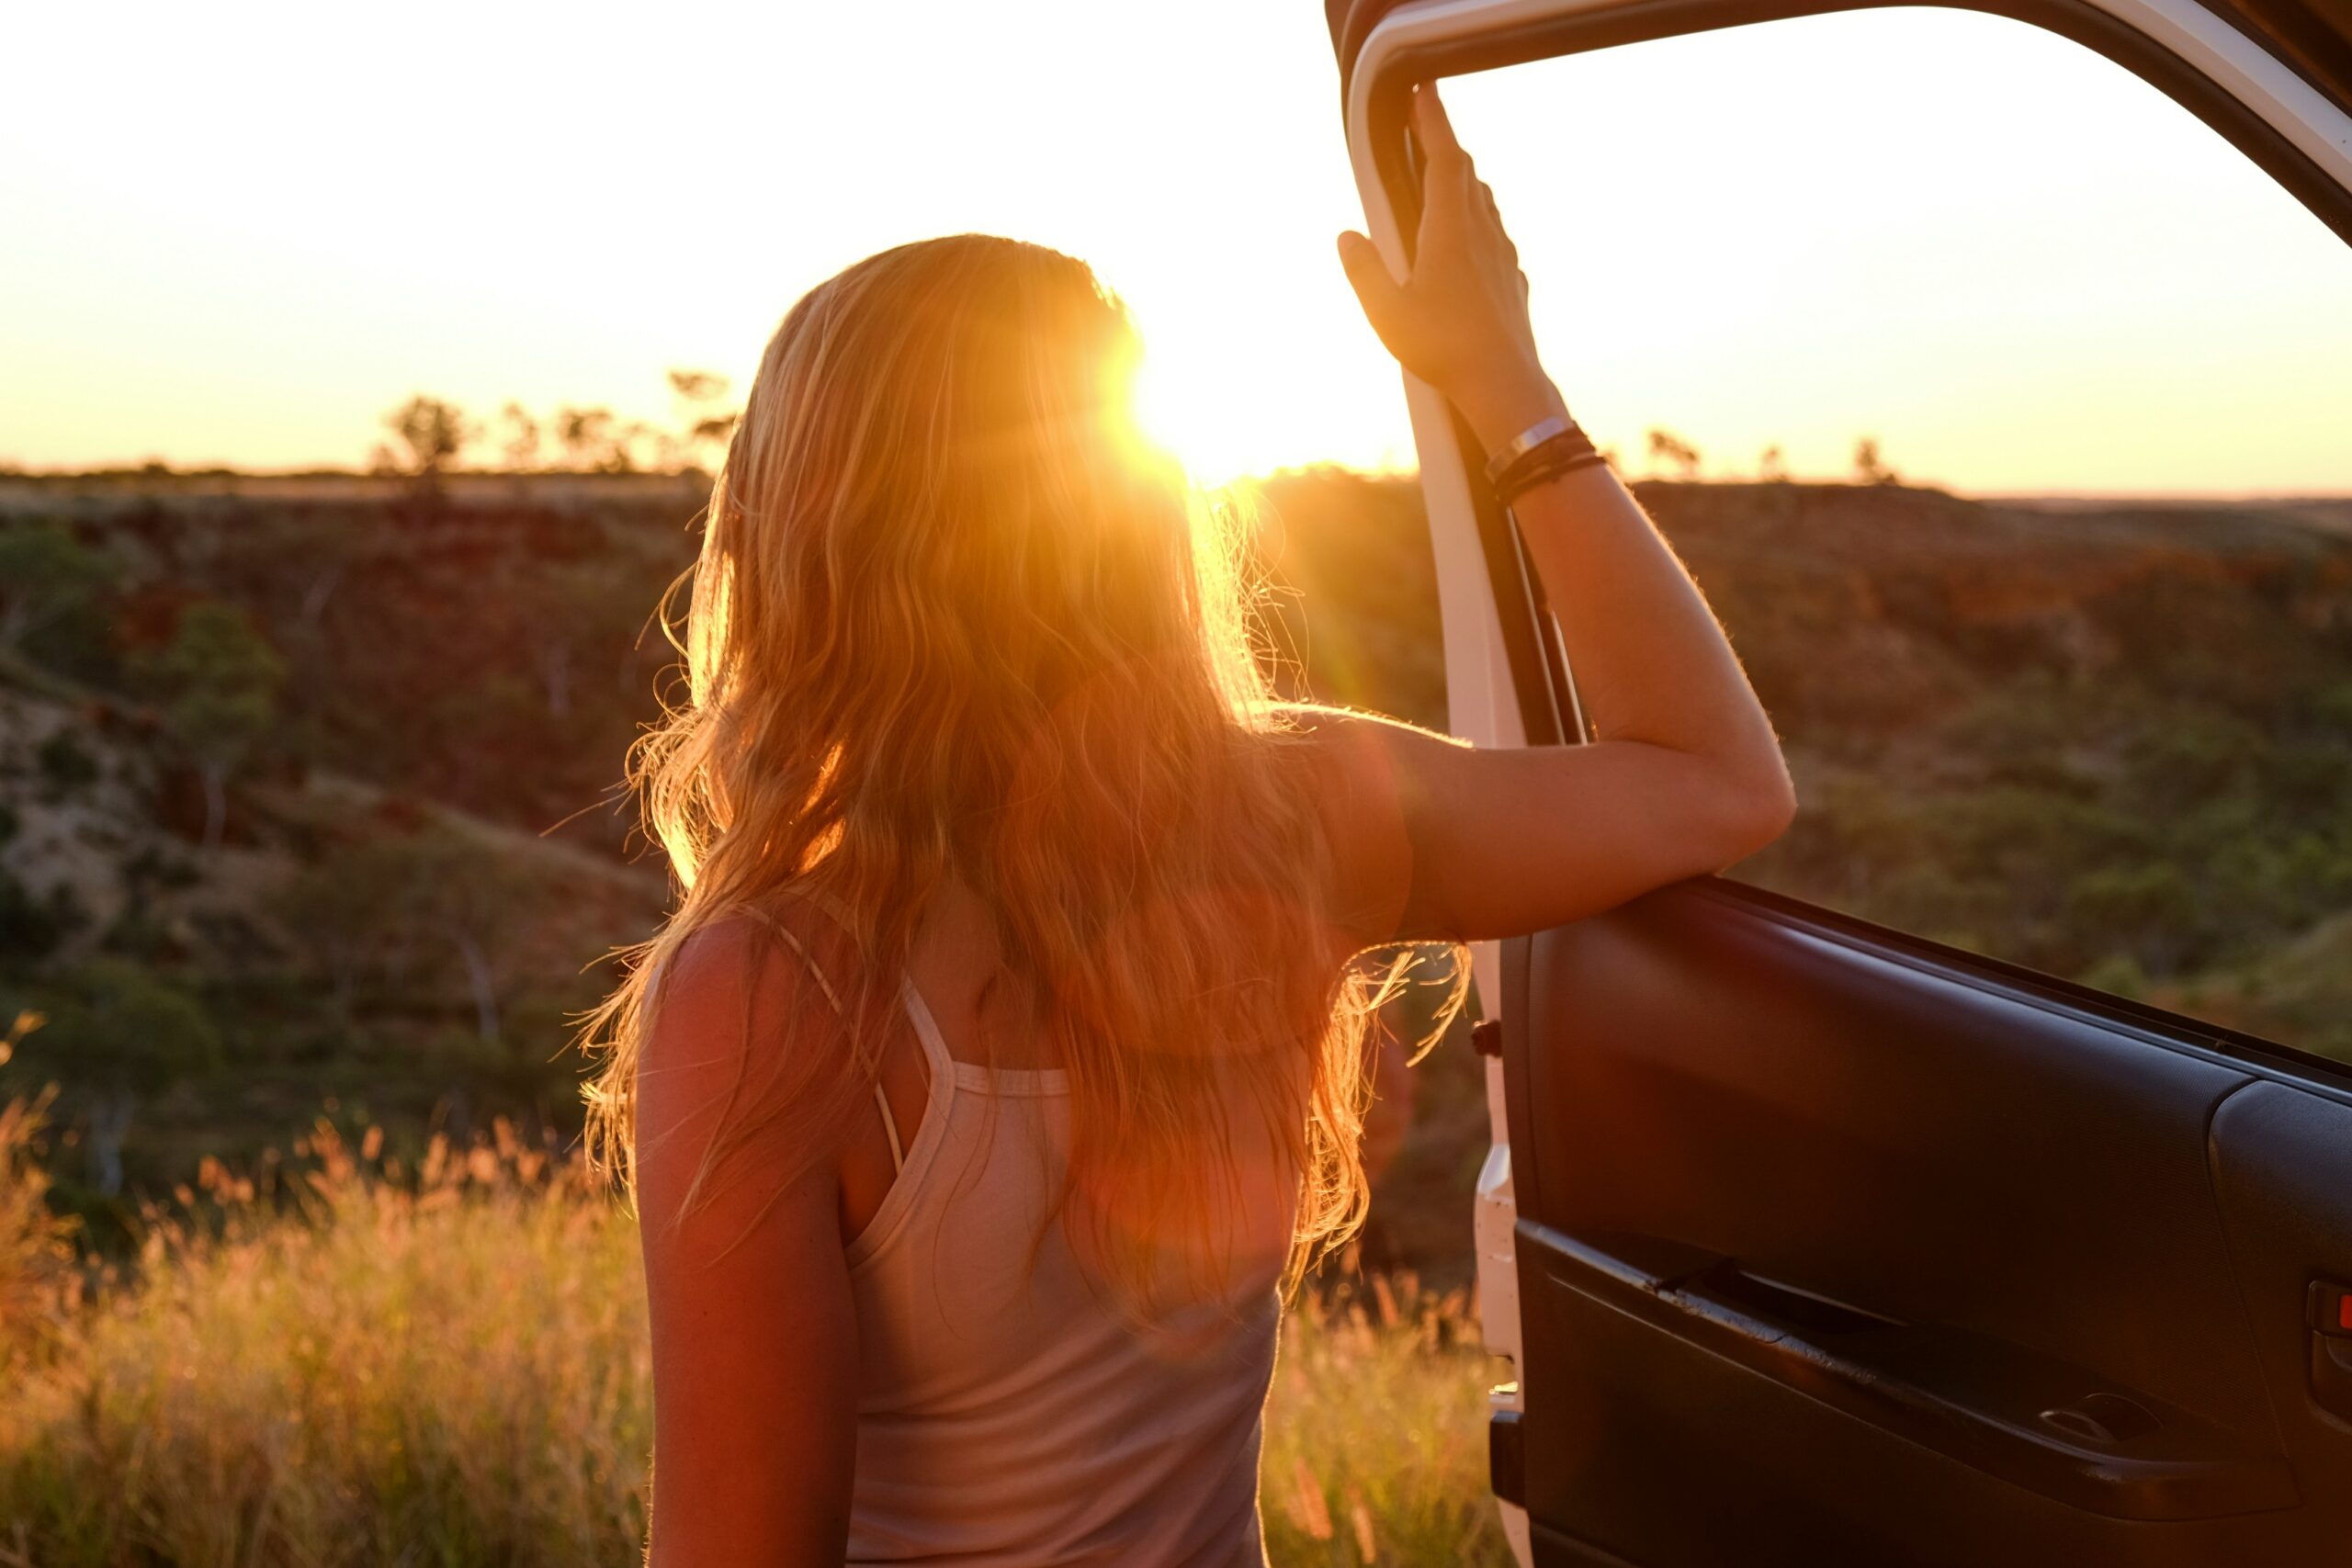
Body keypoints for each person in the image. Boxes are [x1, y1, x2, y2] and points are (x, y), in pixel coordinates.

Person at [582, 82, 1793, 1567]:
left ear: (792, 540)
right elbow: (1713, 777)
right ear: (1138, 515)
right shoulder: (1293, 819)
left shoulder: (774, 992)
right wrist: (1506, 391)